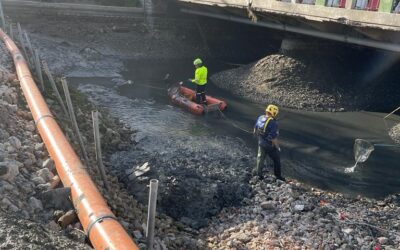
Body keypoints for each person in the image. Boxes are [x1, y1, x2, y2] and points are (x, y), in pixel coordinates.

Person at [253, 104, 286, 181]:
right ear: (274, 113)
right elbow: (273, 138)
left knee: (260, 158)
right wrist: (277, 147)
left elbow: (255, 128)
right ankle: (278, 176)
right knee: (277, 159)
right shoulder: (273, 123)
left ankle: (259, 174)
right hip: (269, 145)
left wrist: (256, 134)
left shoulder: (260, 117)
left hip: (260, 142)